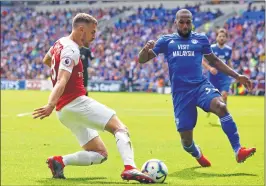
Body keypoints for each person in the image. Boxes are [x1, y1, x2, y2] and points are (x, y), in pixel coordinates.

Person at [32, 13, 154, 183]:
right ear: (81, 29)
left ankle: (59, 162)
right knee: (120, 128)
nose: (94, 37)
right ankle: (130, 168)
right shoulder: (71, 49)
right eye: (93, 32)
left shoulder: (59, 43)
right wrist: (50, 104)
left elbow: (47, 59)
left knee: (100, 153)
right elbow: (61, 80)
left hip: (64, 112)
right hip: (75, 103)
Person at [138, 9, 256, 167]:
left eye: (188, 22)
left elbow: (214, 61)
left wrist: (237, 76)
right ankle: (197, 153)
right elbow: (142, 60)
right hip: (181, 93)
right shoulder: (166, 41)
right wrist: (144, 50)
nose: (185, 26)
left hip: (200, 86)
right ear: (176, 23)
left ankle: (238, 150)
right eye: (182, 22)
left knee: (221, 106)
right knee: (186, 141)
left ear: (192, 22)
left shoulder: (201, 39)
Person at [202, 28, 232, 124]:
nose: (222, 38)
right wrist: (210, 68)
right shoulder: (211, 48)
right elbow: (203, 61)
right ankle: (210, 109)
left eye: (223, 36)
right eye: (220, 36)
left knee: (224, 95)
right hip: (213, 76)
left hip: (224, 76)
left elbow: (229, 63)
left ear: (226, 38)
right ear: (216, 37)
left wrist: (231, 73)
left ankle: (222, 117)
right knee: (213, 98)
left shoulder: (228, 50)